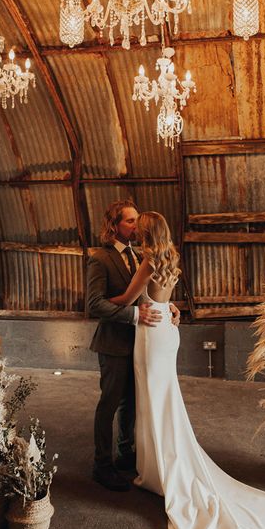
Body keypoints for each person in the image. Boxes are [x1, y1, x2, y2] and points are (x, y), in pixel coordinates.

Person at [109, 210, 265, 529]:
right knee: (163, 401)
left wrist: (104, 299)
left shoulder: (148, 260)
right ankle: (155, 469)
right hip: (166, 328)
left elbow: (127, 299)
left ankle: (159, 470)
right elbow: (162, 299)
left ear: (146, 232)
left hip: (151, 336)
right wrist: (166, 308)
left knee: (155, 402)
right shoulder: (169, 258)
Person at [87, 200, 180, 492]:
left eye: (137, 220)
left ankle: (126, 453)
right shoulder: (100, 258)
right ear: (114, 225)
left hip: (142, 342)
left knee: (131, 404)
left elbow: (145, 291)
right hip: (114, 342)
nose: (136, 225)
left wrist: (168, 306)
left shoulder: (141, 254)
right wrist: (136, 314)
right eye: (129, 221)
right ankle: (102, 466)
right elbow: (94, 305)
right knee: (110, 404)